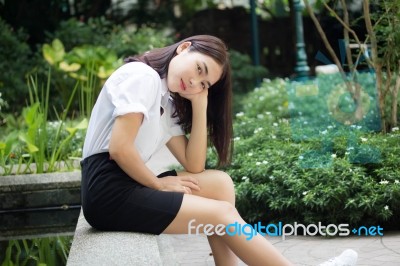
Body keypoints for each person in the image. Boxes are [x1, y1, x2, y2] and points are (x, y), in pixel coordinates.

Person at [80, 35, 357, 266]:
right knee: (222, 214)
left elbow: (194, 164)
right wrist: (157, 184)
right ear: (184, 48)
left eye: (205, 84)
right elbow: (119, 148)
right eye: (199, 70)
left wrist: (200, 104)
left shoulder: (166, 96)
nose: (195, 83)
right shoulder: (143, 76)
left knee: (219, 183)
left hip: (126, 183)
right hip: (108, 191)